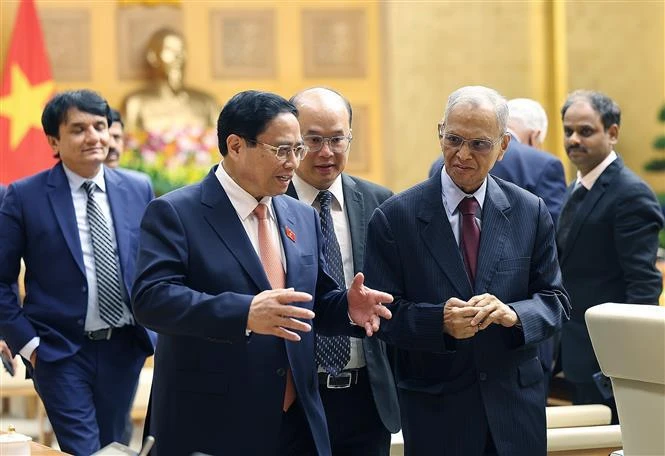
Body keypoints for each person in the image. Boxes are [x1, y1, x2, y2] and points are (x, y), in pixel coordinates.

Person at [131, 90, 393, 456]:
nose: (293, 162)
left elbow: (311, 301)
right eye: (282, 150)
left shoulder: (298, 215)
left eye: (297, 149)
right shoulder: (176, 212)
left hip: (297, 419)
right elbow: (151, 300)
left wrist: (346, 307)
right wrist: (245, 314)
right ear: (236, 145)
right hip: (214, 419)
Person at [364, 85, 570, 456]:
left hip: (515, 409)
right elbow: (382, 317)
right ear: (440, 131)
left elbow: (555, 301)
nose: (462, 154)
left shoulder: (529, 211)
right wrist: (439, 322)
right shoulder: (395, 217)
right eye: (454, 139)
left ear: (503, 146)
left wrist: (515, 314)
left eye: (479, 144)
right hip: (437, 410)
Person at [0, 90, 155, 455]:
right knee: (84, 450)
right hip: (58, 351)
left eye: (100, 126)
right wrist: (30, 345)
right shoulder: (23, 196)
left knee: (114, 445)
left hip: (124, 347)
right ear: (54, 140)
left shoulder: (138, 188)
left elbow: (154, 264)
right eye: (79, 129)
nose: (94, 137)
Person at [287, 87, 400, 455]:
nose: (326, 152)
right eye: (313, 139)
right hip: (293, 396)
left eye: (337, 139)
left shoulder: (380, 203)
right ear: (292, 141)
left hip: (366, 397)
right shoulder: (270, 204)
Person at [557, 90, 664, 422]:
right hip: (576, 353)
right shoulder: (577, 187)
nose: (574, 139)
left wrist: (625, 364)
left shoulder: (629, 194)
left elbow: (643, 285)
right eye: (568, 130)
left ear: (613, 133)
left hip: (608, 364)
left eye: (585, 131)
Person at [429, 98, 566, 224]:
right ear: (534, 136)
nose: (464, 156)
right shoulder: (544, 165)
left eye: (479, 143)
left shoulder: (440, 163)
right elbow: (551, 231)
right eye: (454, 139)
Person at [122, 28, 218, 132]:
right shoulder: (135, 104)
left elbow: (223, 143)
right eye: (170, 50)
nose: (178, 56)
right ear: (152, 56)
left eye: (181, 50)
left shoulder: (207, 103)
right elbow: (127, 143)